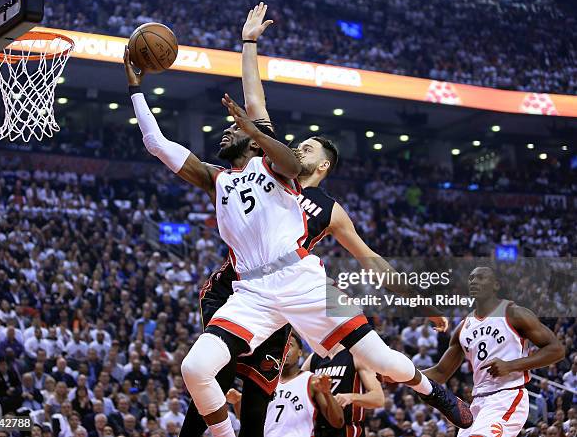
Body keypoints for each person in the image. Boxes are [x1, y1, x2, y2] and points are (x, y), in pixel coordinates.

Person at [125, 35, 472, 437]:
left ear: (321, 164)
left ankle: (434, 392)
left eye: (307, 147)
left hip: (303, 281)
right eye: (298, 144)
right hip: (250, 289)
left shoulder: (293, 178)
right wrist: (246, 43)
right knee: (195, 369)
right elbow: (165, 139)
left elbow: (370, 259)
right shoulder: (223, 177)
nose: (298, 148)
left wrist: (421, 302)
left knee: (377, 357)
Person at [422, 266, 565, 437]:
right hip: (478, 404)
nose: (474, 281)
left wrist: (511, 366)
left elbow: (556, 350)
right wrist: (401, 374)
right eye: (471, 278)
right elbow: (440, 372)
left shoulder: (513, 313)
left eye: (481, 277)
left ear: (496, 285)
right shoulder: (463, 327)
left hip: (508, 396)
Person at [228, 333, 344, 436]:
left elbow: (338, 422)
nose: (285, 350)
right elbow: (248, 425)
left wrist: (327, 393)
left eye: (290, 346)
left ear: (300, 352)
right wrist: (238, 403)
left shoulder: (311, 381)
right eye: (282, 347)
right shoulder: (263, 381)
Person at [303, 342, 385, 437]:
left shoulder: (356, 355)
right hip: (318, 429)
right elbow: (297, 388)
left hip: (348, 429)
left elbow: (379, 399)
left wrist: (351, 397)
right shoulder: (313, 358)